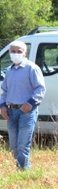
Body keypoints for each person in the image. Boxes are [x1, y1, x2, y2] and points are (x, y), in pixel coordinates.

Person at [0, 40, 45, 170]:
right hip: (11, 111)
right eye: (13, 51)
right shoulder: (9, 70)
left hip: (27, 112)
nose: (15, 54)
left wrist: (30, 103)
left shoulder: (32, 68)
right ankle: (21, 167)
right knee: (14, 145)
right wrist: (2, 106)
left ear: (25, 53)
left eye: (19, 51)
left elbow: (40, 89)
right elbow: (4, 91)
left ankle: (23, 171)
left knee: (23, 144)